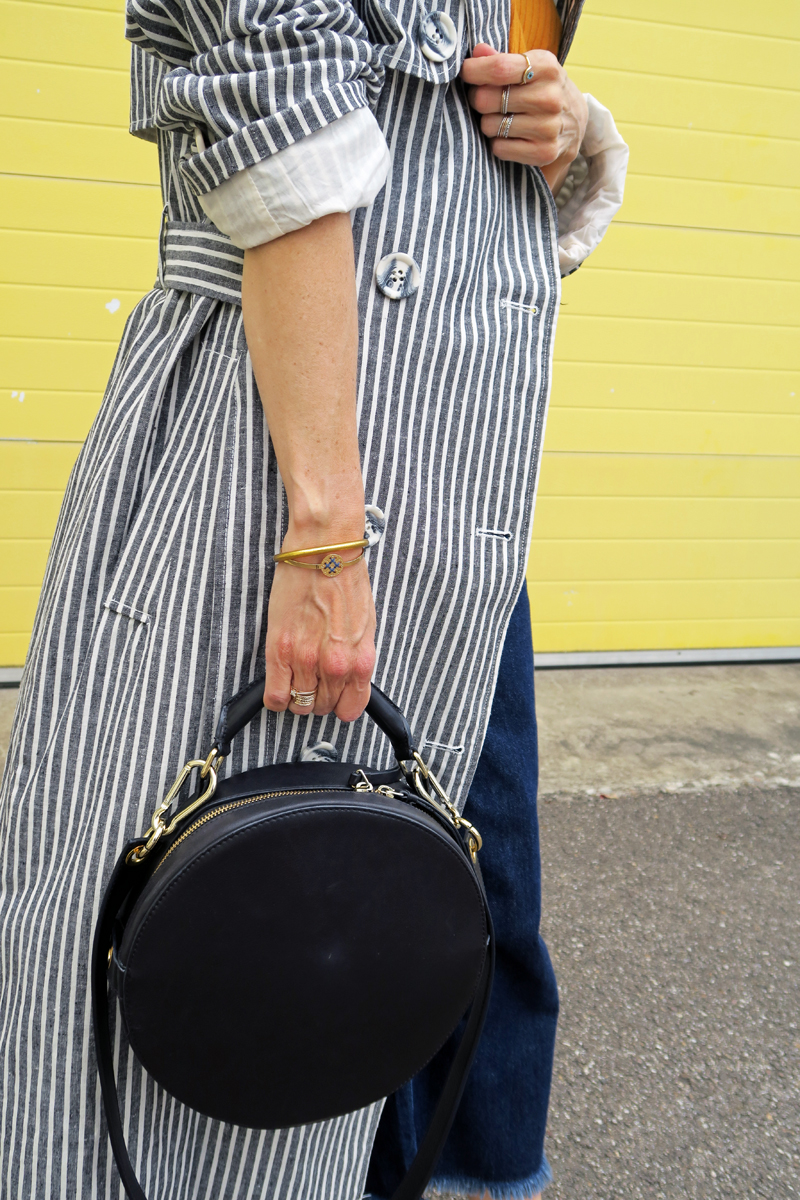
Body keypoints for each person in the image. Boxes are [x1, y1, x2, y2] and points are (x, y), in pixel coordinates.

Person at [0, 0, 627, 1193]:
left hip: (445, 491)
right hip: (275, 473)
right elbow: (281, 130)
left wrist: (557, 129)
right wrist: (327, 536)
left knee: (361, 962)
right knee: (180, 950)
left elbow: (437, 166)